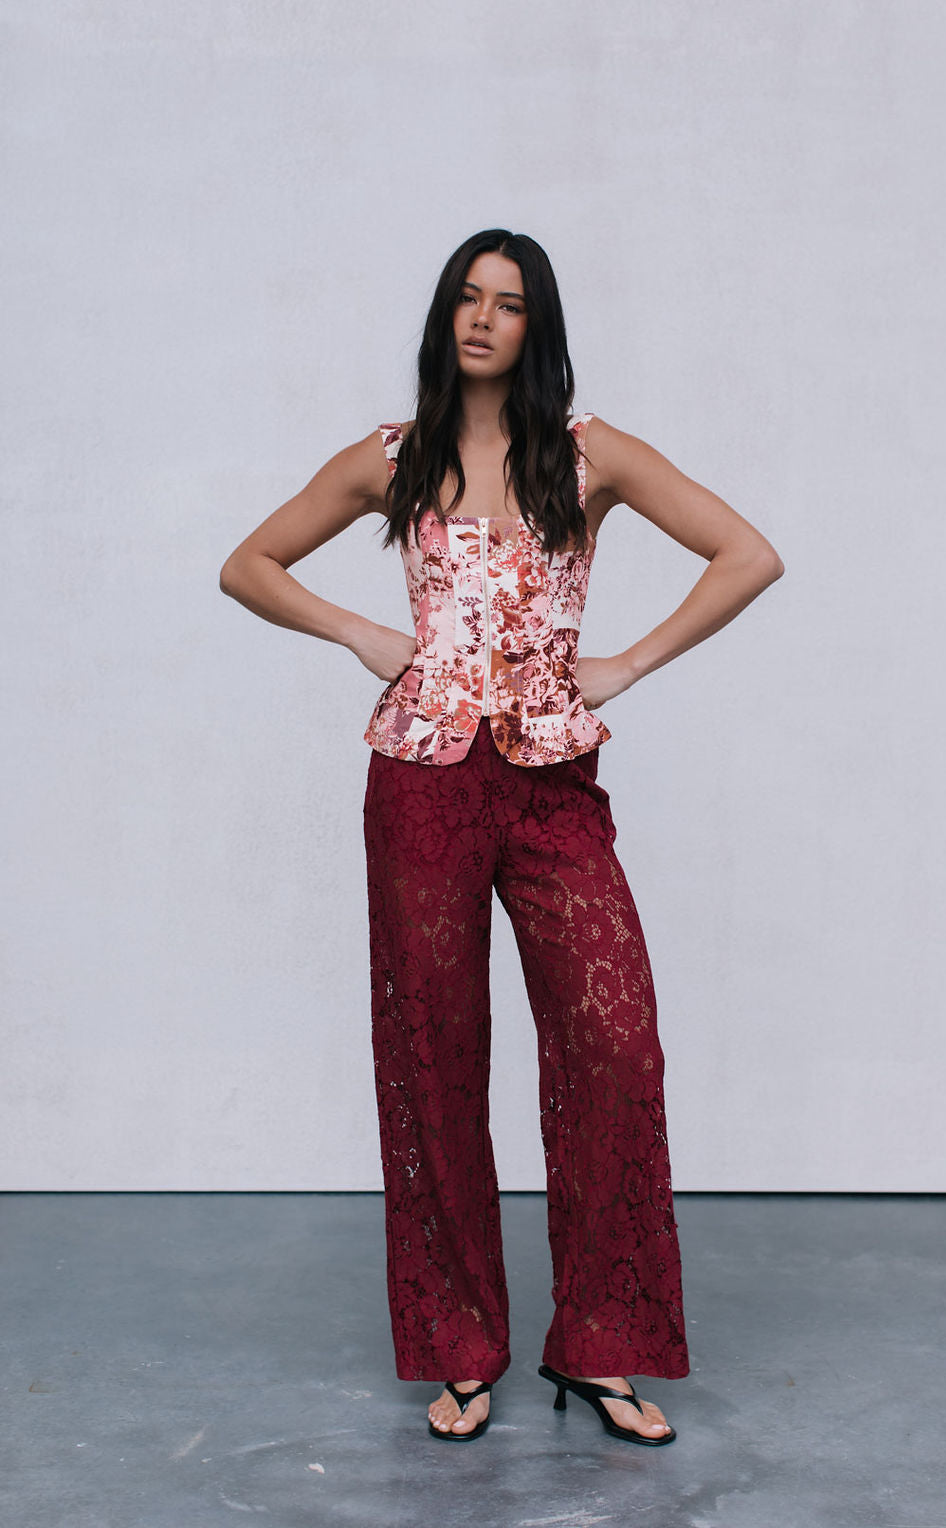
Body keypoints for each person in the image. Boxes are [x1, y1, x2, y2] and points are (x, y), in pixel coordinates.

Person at [219, 228, 784, 1448]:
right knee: (435, 1060)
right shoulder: (391, 457)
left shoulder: (591, 458)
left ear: (538, 326)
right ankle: (461, 1347)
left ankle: (601, 1346)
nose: (483, 319)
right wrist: (365, 637)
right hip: (419, 779)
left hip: (547, 780)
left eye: (509, 304)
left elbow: (750, 555)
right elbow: (246, 565)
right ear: (444, 315)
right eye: (467, 299)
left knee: (616, 1043)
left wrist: (625, 662)